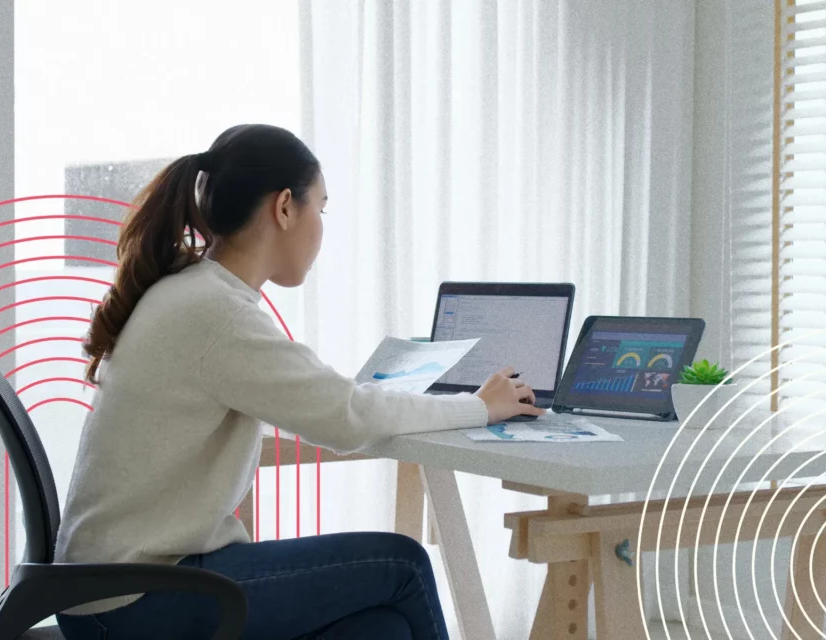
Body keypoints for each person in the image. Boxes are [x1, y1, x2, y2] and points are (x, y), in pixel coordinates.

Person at [54, 123, 544, 640]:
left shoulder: (196, 293)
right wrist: (480, 406)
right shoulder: (216, 312)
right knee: (403, 565)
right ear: (285, 207)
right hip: (134, 601)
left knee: (383, 628)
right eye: (322, 208)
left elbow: (334, 411)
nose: (322, 227)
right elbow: (347, 419)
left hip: (115, 589)